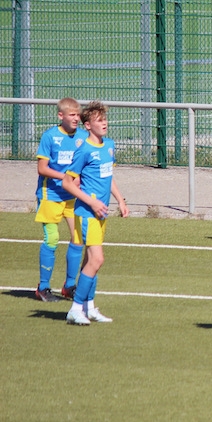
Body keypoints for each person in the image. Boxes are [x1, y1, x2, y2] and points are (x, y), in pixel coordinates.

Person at [61, 101, 129, 324]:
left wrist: (120, 200)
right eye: (99, 120)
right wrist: (92, 202)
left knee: (90, 260)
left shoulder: (109, 145)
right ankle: (75, 308)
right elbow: (67, 183)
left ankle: (89, 307)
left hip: (101, 213)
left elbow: (108, 176)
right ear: (88, 125)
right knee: (97, 259)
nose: (104, 123)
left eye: (105, 119)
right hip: (87, 213)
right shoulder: (84, 150)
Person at [33, 97, 88, 303]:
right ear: (60, 116)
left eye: (78, 115)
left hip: (73, 198)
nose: (76, 118)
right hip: (51, 196)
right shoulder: (50, 136)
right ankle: (43, 288)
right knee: (52, 239)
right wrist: (66, 178)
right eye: (72, 115)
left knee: (78, 238)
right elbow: (42, 168)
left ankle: (69, 286)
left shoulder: (83, 137)